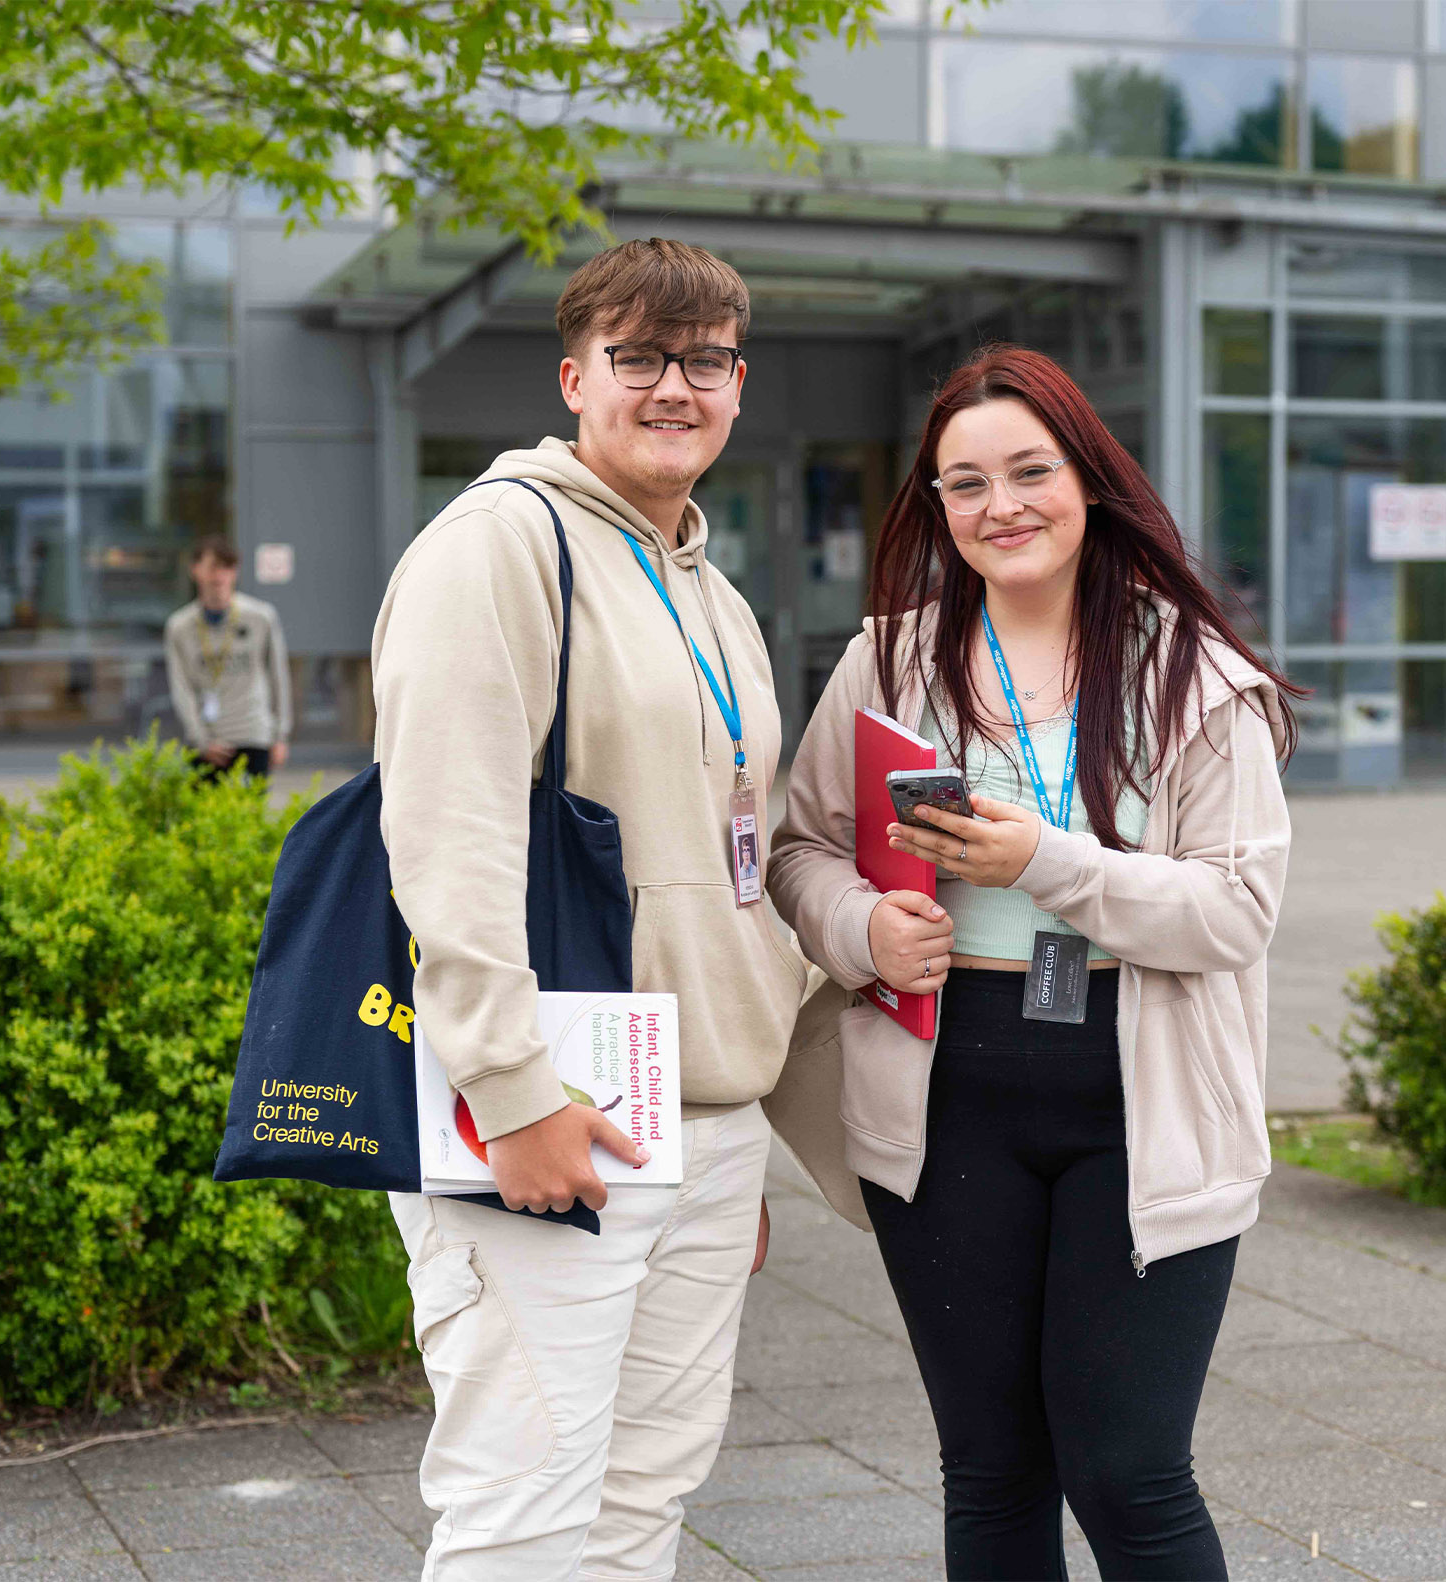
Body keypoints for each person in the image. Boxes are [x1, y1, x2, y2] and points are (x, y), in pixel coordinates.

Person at [769, 346, 1298, 1580]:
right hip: (946, 1082)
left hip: (1141, 1091)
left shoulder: (1193, 677)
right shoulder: (888, 663)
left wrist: (1045, 863)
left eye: (1027, 471)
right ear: (935, 508)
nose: (998, 506)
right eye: (963, 485)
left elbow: (1234, 911)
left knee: (1127, 1469)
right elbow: (800, 850)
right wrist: (861, 929)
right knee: (991, 1468)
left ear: (1089, 479)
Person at [372, 238, 812, 1579]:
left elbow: (733, 864)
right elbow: (445, 839)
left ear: (739, 384)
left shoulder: (714, 591)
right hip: (552, 1112)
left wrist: (741, 1124)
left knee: (640, 1506)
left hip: (700, 1122)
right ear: (576, 377)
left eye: (706, 360)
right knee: (522, 1512)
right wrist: (509, 1091)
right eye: (639, 357)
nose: (674, 386)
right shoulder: (499, 547)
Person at [164, 535, 291, 779]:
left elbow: (278, 677)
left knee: (252, 813)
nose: (219, 576)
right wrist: (200, 739)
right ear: (195, 570)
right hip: (208, 739)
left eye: (227, 567)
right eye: (212, 567)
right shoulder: (180, 627)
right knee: (205, 813)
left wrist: (280, 735)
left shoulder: (261, 617)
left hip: (253, 733)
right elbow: (181, 687)